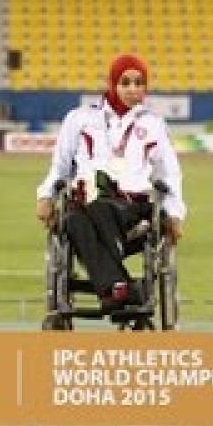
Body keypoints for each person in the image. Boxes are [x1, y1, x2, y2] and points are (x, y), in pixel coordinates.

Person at [34, 54, 185, 309]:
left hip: (133, 209)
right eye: (126, 82)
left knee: (87, 212)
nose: (133, 89)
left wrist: (175, 213)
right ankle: (119, 288)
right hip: (87, 201)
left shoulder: (153, 125)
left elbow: (169, 174)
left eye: (139, 83)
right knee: (74, 218)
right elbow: (60, 166)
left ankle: (112, 279)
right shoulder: (79, 119)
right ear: (113, 83)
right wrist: (45, 195)